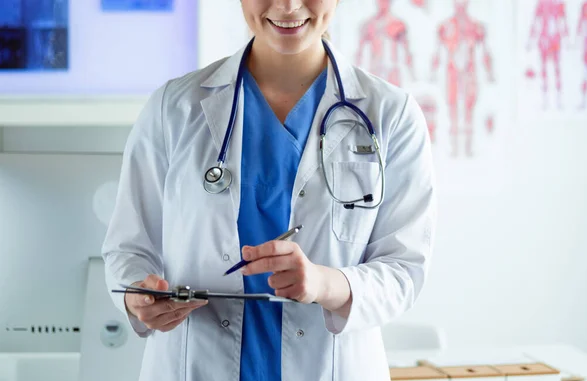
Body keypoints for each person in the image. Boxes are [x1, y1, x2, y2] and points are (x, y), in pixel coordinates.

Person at [101, 1, 436, 380]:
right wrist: (139, 297)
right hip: (194, 364)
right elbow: (128, 248)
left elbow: (404, 270)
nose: (289, 6)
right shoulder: (174, 108)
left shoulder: (392, 114)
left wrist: (326, 284)